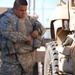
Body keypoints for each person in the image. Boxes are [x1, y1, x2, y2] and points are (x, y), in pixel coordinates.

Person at [0, 0, 46, 75]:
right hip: (11, 62)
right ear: (14, 8)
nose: (23, 12)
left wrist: (37, 31)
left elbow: (42, 27)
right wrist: (25, 38)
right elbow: (8, 33)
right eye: (21, 10)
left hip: (27, 61)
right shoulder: (5, 19)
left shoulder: (28, 18)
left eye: (25, 10)